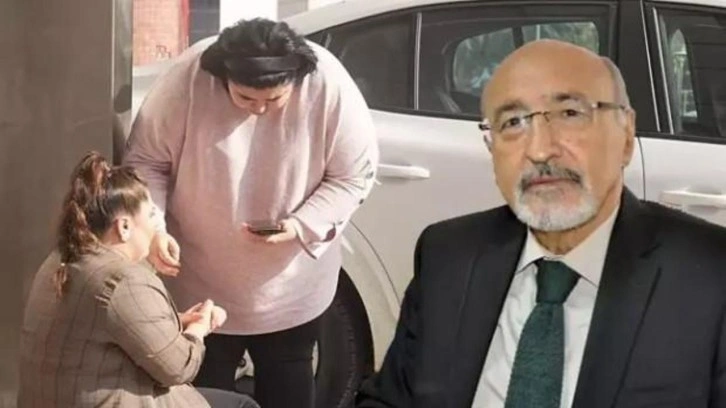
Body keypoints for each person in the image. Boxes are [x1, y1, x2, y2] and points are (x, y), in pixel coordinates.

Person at [356, 40, 726, 408]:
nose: (539, 150)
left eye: (570, 113)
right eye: (512, 122)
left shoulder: (710, 274)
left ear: (626, 136)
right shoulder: (448, 256)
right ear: (491, 149)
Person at [124, 18, 378, 408]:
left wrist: (302, 225)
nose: (259, 109)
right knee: (202, 389)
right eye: (244, 98)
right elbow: (146, 160)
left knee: (289, 380)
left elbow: (354, 175)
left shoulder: (328, 83)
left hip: (291, 282)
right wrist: (155, 229)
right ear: (222, 77)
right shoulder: (189, 78)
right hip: (199, 277)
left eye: (274, 100)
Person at [18, 152, 258, 408]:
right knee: (242, 405)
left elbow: (107, 326)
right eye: (152, 216)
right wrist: (200, 328)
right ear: (124, 227)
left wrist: (176, 322)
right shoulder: (123, 280)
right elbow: (179, 368)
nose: (156, 228)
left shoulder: (61, 258)